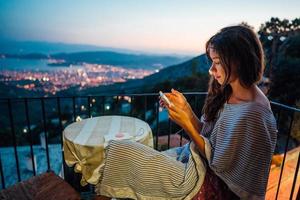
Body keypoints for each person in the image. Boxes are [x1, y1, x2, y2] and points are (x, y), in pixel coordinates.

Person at [95, 25, 277, 200]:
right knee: (122, 153)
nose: (211, 70)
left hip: (206, 183)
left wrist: (186, 124)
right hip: (193, 160)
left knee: (122, 151)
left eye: (217, 63)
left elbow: (220, 165)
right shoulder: (227, 91)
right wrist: (186, 111)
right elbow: (208, 137)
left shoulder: (255, 113)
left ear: (239, 62)